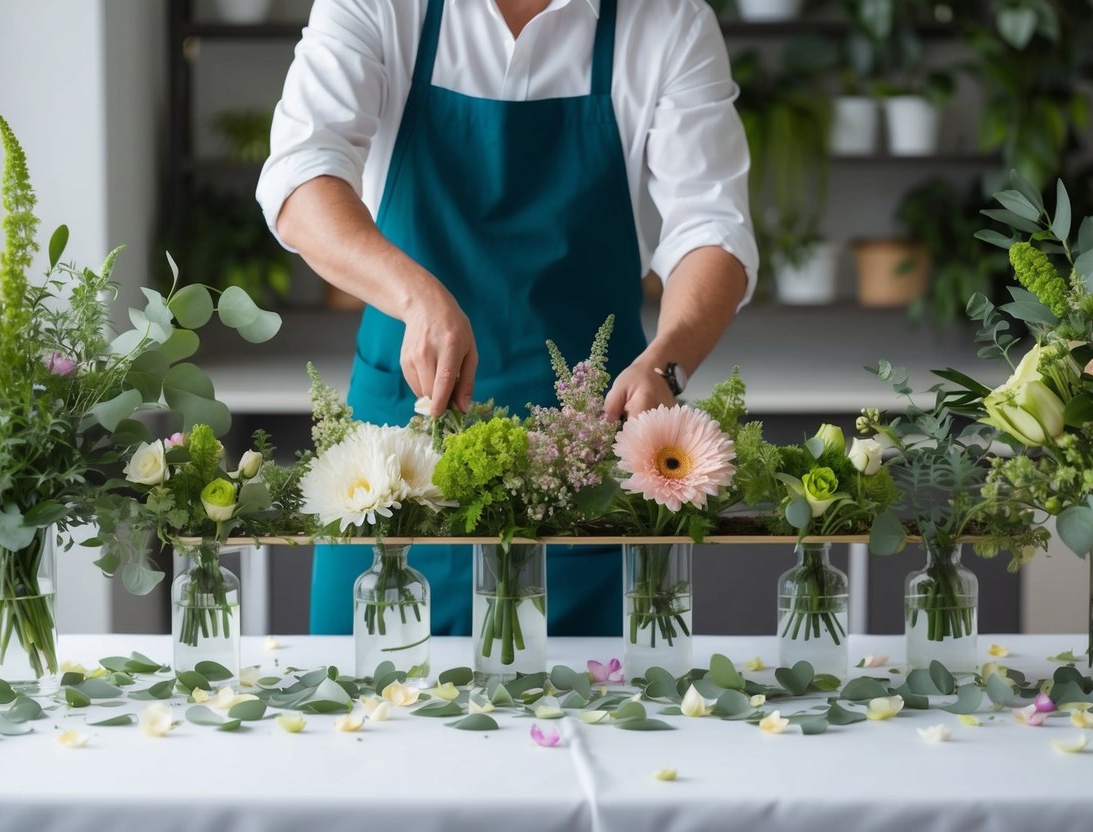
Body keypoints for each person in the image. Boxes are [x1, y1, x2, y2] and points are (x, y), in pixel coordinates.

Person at [257, 0, 758, 637]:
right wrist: (415, 297)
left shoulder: (668, 21)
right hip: (399, 459)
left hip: (585, 469)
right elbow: (302, 177)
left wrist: (666, 361)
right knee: (362, 716)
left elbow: (713, 229)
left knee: (606, 719)